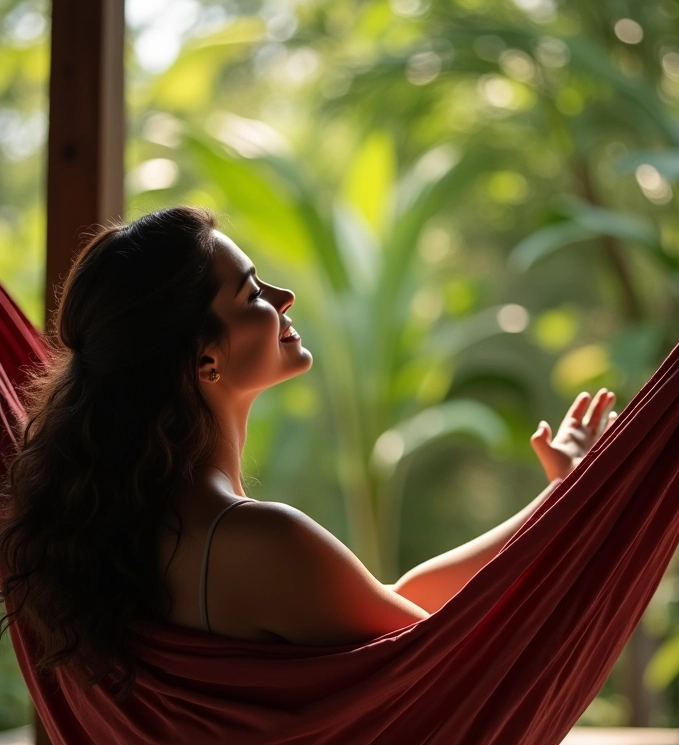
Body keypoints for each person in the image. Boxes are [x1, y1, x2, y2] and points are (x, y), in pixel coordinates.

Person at [0, 206, 616, 697]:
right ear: (204, 359)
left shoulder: (132, 529)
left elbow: (399, 607)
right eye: (251, 295)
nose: (284, 293)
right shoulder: (259, 540)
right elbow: (437, 668)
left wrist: (560, 498)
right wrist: (582, 511)